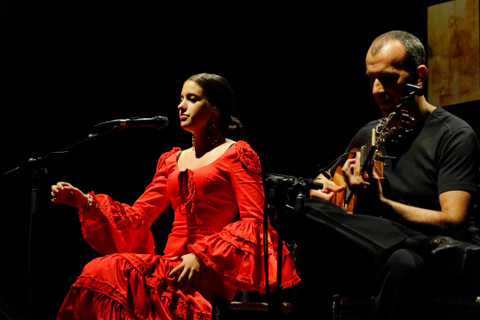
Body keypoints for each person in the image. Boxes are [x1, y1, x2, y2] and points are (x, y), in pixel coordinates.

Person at [51, 73, 300, 319]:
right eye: (181, 98)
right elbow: (139, 215)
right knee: (101, 273)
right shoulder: (172, 160)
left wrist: (203, 258)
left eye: (192, 99)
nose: (181, 105)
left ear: (214, 109)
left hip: (208, 269)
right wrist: (85, 201)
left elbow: (254, 223)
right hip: (171, 263)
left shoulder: (237, 153)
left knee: (113, 268)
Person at [306, 31, 480, 319]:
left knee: (402, 263)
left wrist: (382, 204)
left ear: (419, 76)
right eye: (371, 79)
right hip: (378, 249)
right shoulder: (369, 133)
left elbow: (454, 220)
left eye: (387, 78)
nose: (376, 90)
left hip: (436, 250)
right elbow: (328, 180)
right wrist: (322, 191)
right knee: (305, 211)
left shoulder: (455, 135)